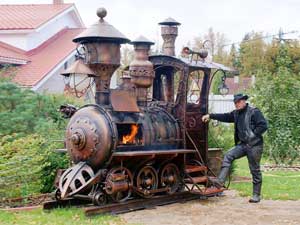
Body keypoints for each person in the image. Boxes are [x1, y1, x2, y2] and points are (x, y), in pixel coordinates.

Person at [202, 93, 268, 203]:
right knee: (228, 155)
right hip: (242, 145)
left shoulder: (254, 111)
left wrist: (252, 135)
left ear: (243, 101)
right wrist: (210, 115)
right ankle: (220, 182)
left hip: (254, 146)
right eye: (235, 102)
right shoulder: (236, 113)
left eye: (238, 102)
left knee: (254, 169)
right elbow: (225, 116)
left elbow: (263, 125)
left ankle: (256, 195)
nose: (236, 104)